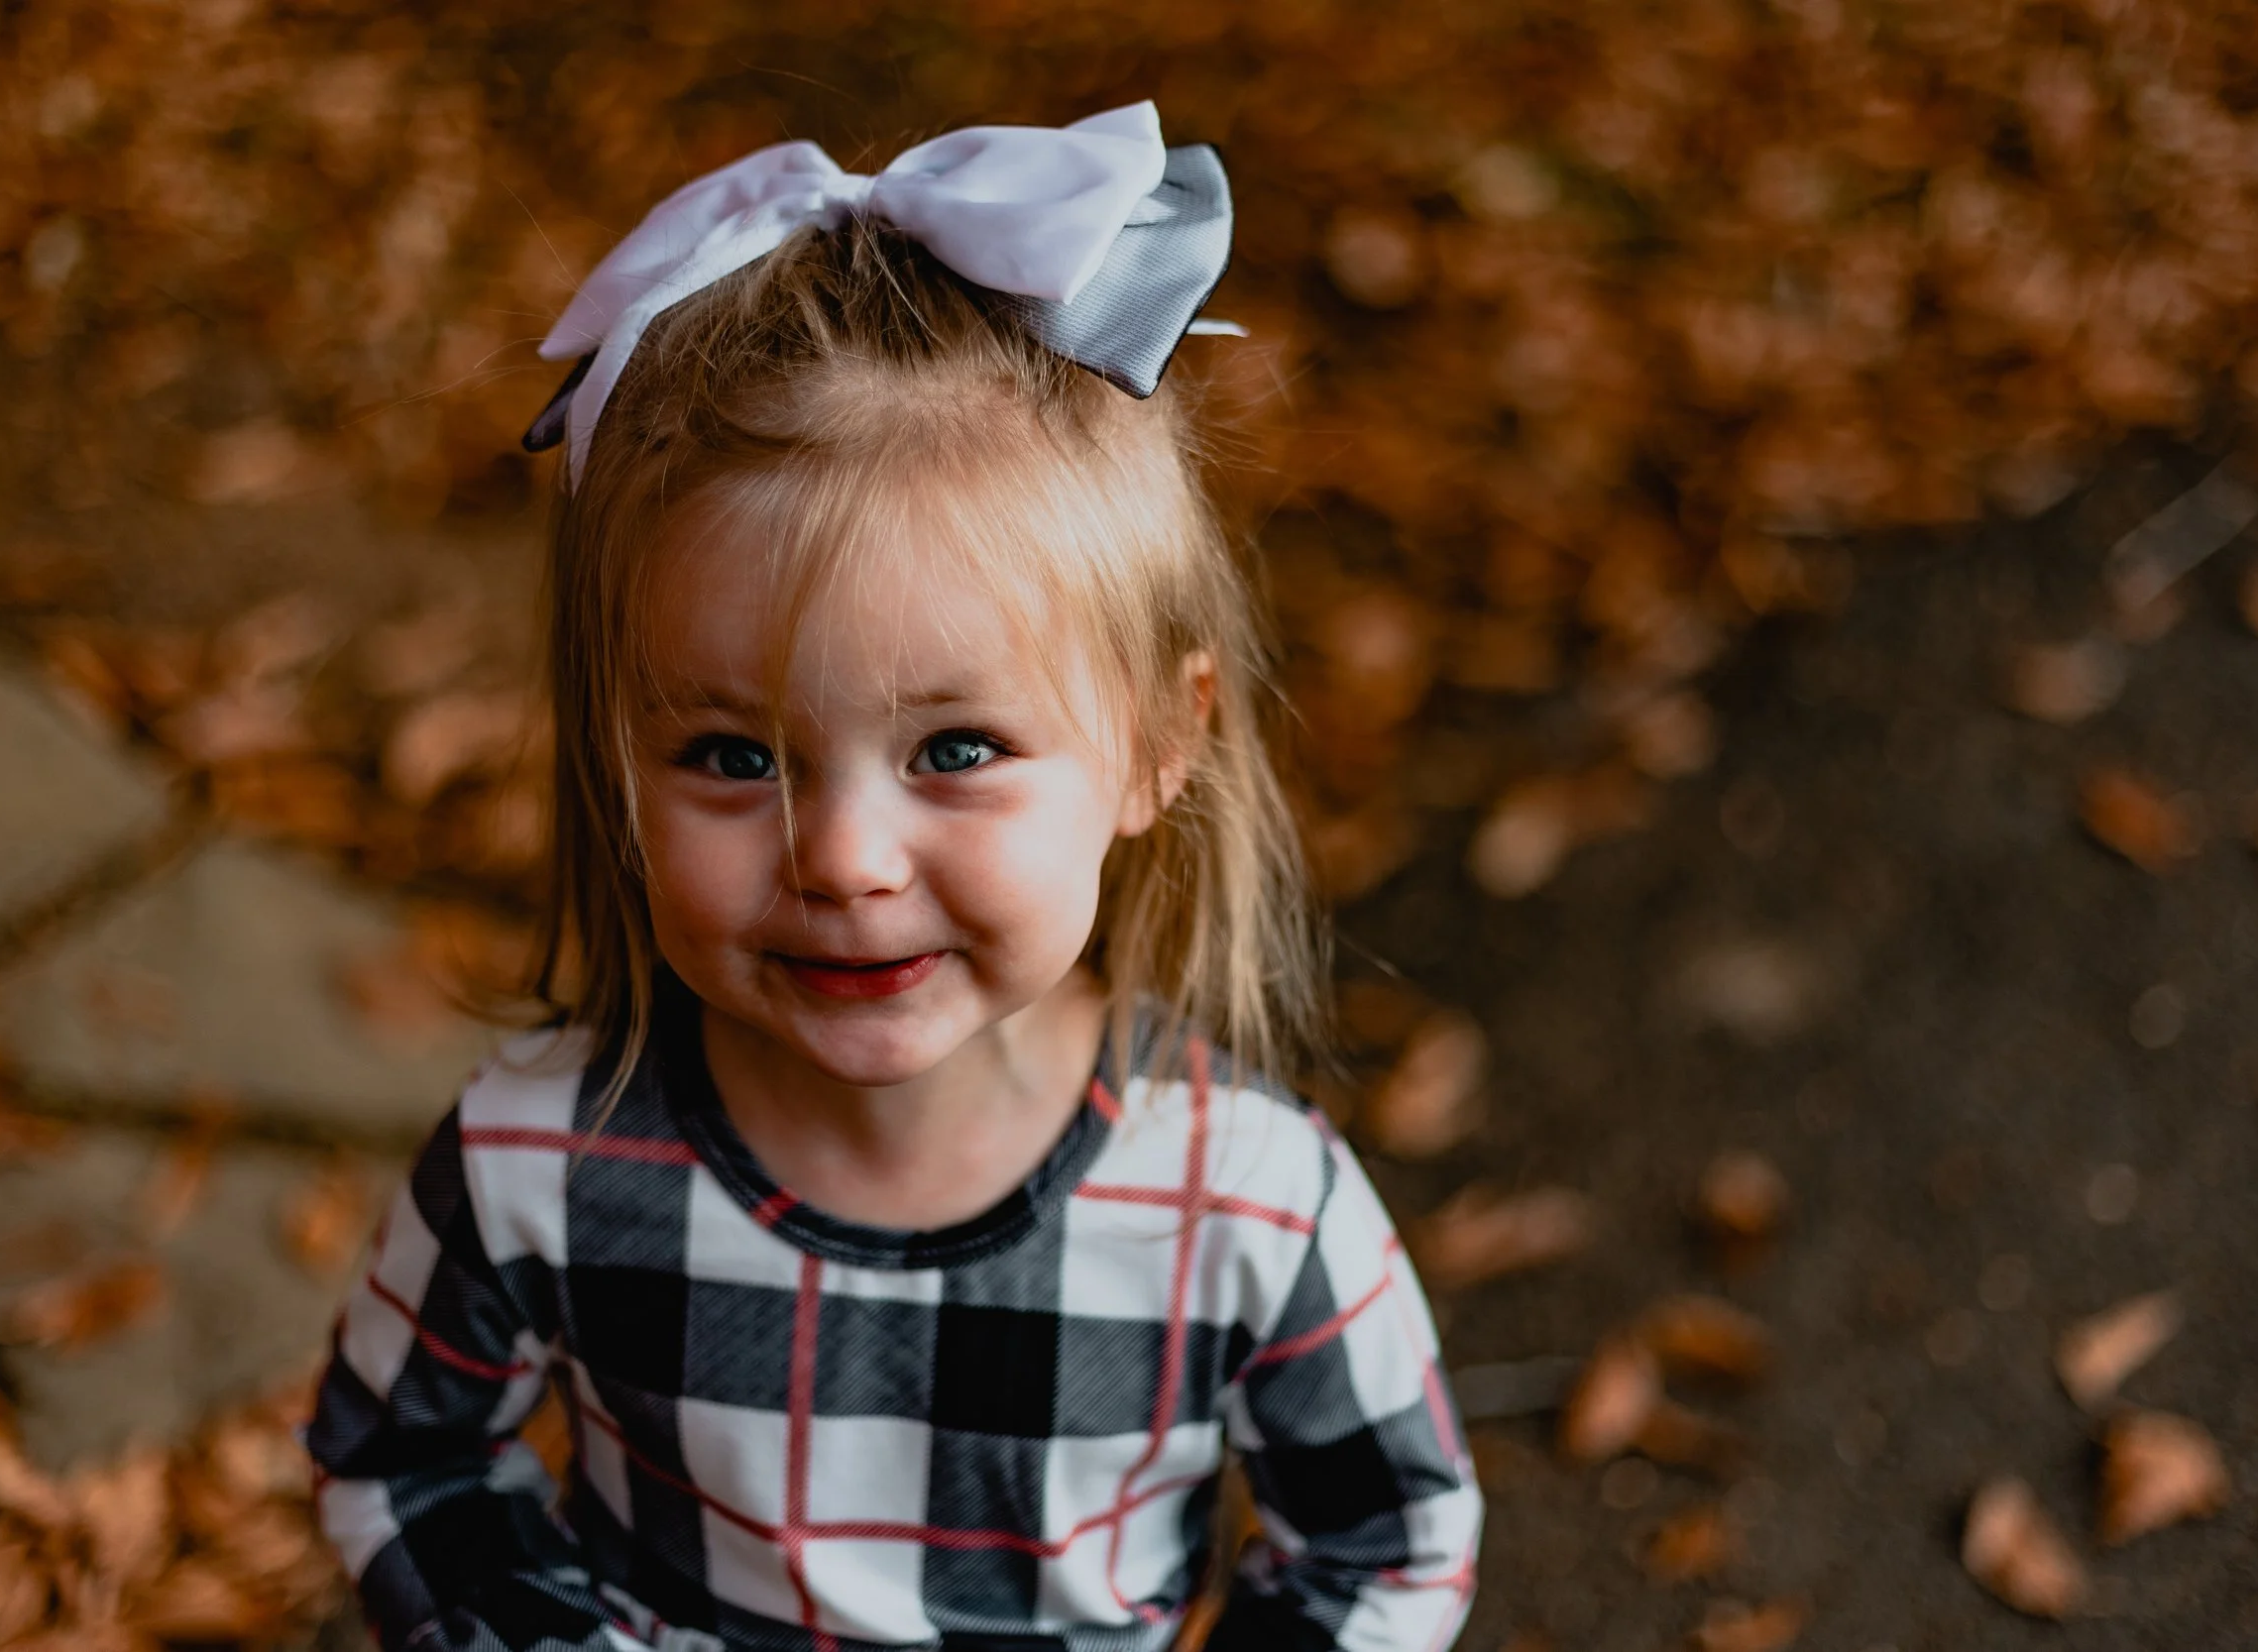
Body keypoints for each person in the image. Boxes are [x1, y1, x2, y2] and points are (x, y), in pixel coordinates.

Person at [305, 103, 1480, 1652]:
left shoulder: (1244, 1209)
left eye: (957, 749)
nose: (845, 862)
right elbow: (404, 1457)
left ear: (1153, 744)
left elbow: (1385, 1542)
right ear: (615, 752)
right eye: (733, 756)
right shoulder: (540, 1167)